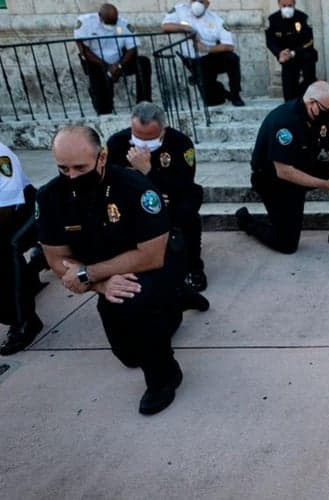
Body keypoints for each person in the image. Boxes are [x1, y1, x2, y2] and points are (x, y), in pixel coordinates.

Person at [37, 125, 184, 415]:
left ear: (102, 158)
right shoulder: (50, 197)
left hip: (156, 263)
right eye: (63, 168)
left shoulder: (135, 188)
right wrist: (99, 284)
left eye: (80, 167)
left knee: (134, 303)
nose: (72, 176)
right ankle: (174, 305)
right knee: (129, 356)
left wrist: (90, 274)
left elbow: (151, 255)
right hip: (104, 274)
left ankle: (165, 376)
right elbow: (57, 259)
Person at [236, 81, 329, 253]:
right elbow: (284, 171)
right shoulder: (285, 121)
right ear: (311, 102)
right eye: (327, 110)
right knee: (286, 244)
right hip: (274, 180)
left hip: (303, 166)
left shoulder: (320, 116)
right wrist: (325, 185)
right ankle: (247, 221)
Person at [106, 102, 208, 294]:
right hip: (133, 202)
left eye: (150, 139)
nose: (143, 145)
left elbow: (183, 184)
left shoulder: (180, 143)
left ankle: (193, 267)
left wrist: (149, 171)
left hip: (172, 197)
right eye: (138, 138)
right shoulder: (117, 144)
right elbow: (110, 183)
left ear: (163, 130)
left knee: (189, 207)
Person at [0, 142, 45, 356]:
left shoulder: (2, 156)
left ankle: (25, 320)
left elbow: (5, 208)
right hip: (6, 217)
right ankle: (32, 273)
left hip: (26, 209)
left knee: (8, 247)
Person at [162, 0, 245, 107]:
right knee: (211, 101)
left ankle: (235, 94)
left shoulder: (215, 19)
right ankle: (221, 91)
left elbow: (229, 46)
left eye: (201, 1)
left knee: (232, 58)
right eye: (194, 0)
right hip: (193, 60)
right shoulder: (180, 10)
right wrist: (188, 29)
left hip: (210, 58)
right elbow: (165, 26)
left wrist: (207, 49)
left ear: (207, 4)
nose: (196, 4)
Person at [73, 3, 152, 115]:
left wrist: (119, 65)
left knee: (143, 63)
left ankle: (144, 105)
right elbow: (83, 49)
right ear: (100, 15)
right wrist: (106, 66)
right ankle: (104, 110)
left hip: (119, 60)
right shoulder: (86, 22)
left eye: (114, 21)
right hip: (95, 62)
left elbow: (132, 48)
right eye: (108, 22)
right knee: (102, 99)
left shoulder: (123, 24)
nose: (112, 25)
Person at [266, 0, 318, 102]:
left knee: (309, 79)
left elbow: (309, 41)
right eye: (284, 5)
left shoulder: (302, 18)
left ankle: (305, 98)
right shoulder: (273, 19)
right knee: (289, 89)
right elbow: (270, 41)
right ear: (279, 5)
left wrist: (293, 53)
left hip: (303, 54)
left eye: (290, 5)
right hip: (285, 56)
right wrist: (279, 53)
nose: (287, 8)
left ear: (294, 4)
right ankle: (292, 102)